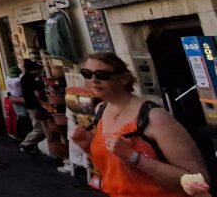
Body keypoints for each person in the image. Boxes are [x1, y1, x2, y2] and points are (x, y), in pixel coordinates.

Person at [71, 52, 208, 196]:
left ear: (124, 78)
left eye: (102, 75)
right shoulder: (101, 111)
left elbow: (199, 181)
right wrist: (87, 146)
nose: (93, 80)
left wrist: (134, 158)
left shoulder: (154, 118)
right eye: (87, 74)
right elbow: (114, 170)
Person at [19, 59, 48, 155]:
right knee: (40, 129)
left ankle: (29, 145)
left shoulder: (24, 78)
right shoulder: (31, 79)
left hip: (30, 106)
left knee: (38, 127)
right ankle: (26, 144)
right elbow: (37, 94)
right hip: (34, 106)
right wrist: (43, 104)